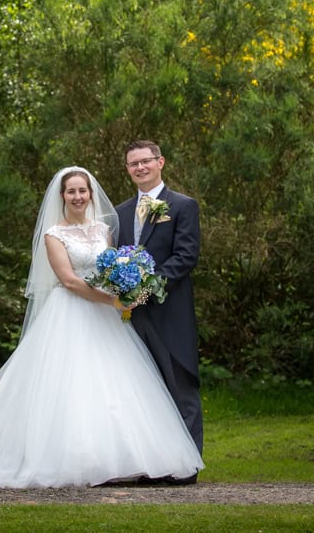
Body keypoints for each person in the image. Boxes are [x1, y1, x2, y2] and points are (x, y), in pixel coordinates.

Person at [0, 166, 203, 488]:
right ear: (62, 196)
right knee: (71, 387)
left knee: (115, 386)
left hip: (108, 320)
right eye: (71, 192)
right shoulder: (54, 234)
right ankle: (73, 461)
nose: (78, 197)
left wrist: (126, 288)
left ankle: (123, 461)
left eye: (83, 191)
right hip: (72, 314)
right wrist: (112, 302)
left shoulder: (103, 231)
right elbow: (68, 280)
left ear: (90, 194)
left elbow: (112, 268)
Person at [116, 141, 203, 480]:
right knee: (141, 391)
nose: (140, 168)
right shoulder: (120, 212)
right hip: (129, 318)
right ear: (127, 170)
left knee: (180, 386)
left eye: (146, 161)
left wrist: (145, 288)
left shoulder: (182, 206)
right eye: (133, 164)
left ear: (160, 162)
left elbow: (185, 257)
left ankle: (186, 468)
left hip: (169, 312)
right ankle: (149, 467)